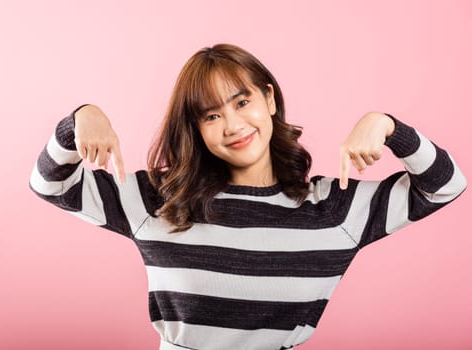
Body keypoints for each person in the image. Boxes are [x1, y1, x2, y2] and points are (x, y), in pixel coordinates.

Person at [29, 43, 467, 350]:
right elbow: (50, 183)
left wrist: (387, 125)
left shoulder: (334, 209)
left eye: (242, 103)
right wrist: (81, 120)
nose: (233, 125)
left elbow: (446, 185)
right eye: (212, 115)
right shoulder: (160, 198)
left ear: (270, 99)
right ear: (197, 129)